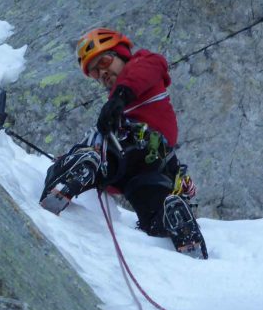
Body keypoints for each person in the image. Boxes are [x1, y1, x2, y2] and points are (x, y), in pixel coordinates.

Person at [39, 27, 208, 259]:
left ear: (121, 54)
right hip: (146, 170)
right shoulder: (115, 106)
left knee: (92, 157)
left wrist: (120, 97)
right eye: (96, 73)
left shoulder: (142, 69)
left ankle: (76, 168)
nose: (102, 72)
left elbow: (154, 64)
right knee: (153, 214)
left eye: (105, 61)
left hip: (129, 153)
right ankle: (171, 216)